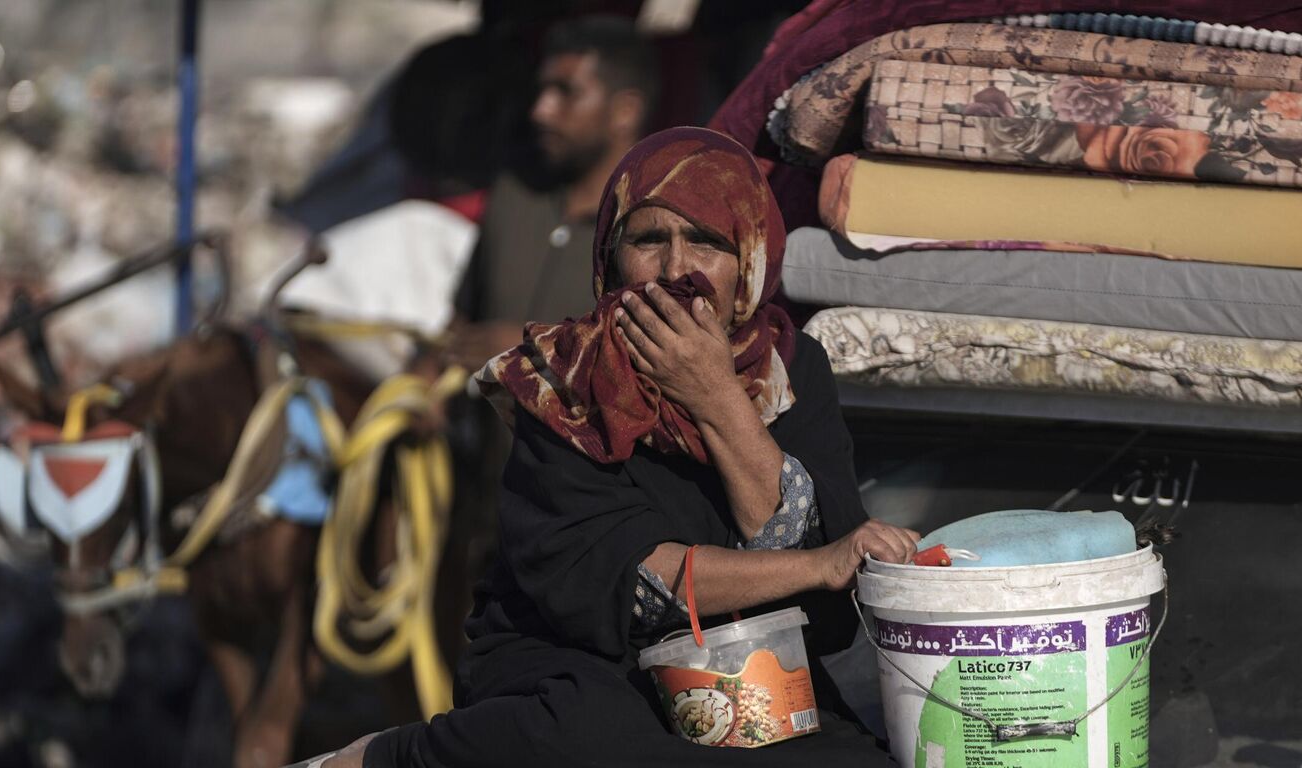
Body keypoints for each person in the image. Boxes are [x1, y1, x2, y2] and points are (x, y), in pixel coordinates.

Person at [293, 128, 917, 767]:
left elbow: (825, 607)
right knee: (601, 742)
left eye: (706, 241)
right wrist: (818, 565)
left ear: (751, 259)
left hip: (753, 668)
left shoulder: (794, 369)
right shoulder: (562, 381)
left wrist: (720, 404)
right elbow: (630, 583)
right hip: (585, 666)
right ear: (613, 258)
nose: (677, 270)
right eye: (649, 240)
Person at [449, 14, 660, 364]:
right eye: (542, 91)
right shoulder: (513, 193)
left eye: (566, 92)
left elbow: (651, 371)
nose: (541, 111)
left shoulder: (655, 228)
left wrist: (541, 350)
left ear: (626, 111)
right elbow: (463, 317)